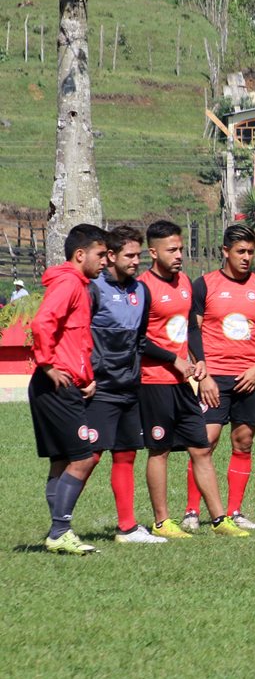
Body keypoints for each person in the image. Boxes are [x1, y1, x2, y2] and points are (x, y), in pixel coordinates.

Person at [137, 220, 249, 539]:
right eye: (171, 250)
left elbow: (190, 329)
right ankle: (162, 522)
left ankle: (219, 520)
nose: (179, 255)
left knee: (200, 448)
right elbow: (138, 339)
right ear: (153, 252)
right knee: (158, 451)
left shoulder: (185, 282)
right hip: (155, 381)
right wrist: (175, 360)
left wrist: (200, 362)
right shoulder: (143, 288)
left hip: (184, 383)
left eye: (181, 249)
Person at [179, 223, 255, 532]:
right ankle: (191, 511)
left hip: (249, 378)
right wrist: (205, 372)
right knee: (205, 442)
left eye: (250, 252)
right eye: (240, 251)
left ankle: (235, 511)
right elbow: (192, 329)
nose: (246, 257)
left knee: (244, 442)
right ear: (225, 251)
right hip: (215, 379)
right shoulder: (205, 285)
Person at [29, 224, 108, 554]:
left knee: (61, 461)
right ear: (80, 254)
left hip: (64, 384)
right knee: (82, 456)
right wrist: (47, 364)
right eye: (101, 255)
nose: (106, 261)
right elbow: (42, 322)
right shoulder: (69, 283)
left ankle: (59, 532)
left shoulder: (79, 284)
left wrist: (85, 376)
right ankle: (60, 531)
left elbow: (75, 339)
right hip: (54, 385)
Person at [86, 225, 165, 544]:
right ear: (110, 256)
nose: (135, 261)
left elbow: (140, 339)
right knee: (88, 457)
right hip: (99, 387)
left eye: (137, 254)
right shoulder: (93, 289)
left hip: (130, 386)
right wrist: (87, 373)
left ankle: (127, 527)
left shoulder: (141, 291)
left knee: (126, 454)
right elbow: (80, 334)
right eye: (129, 255)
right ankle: (60, 523)